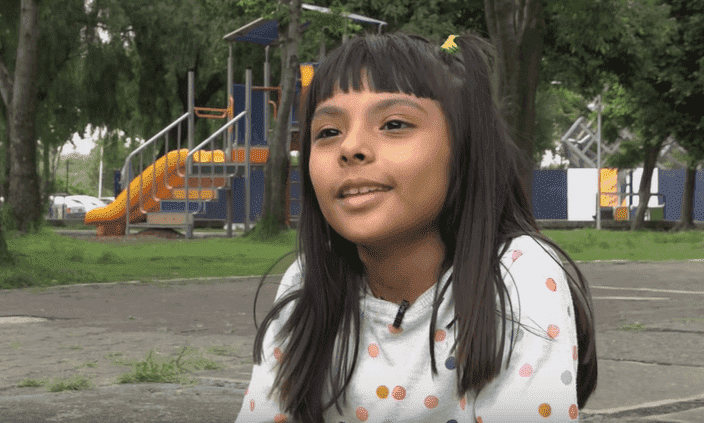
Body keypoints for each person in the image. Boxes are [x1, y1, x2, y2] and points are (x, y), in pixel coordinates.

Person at [236, 31, 597, 423]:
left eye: (393, 123)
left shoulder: (518, 275)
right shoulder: (305, 281)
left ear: (464, 150)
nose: (350, 147)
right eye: (327, 132)